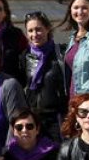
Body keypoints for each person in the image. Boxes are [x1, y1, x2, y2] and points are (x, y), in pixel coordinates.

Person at [20, 12, 69, 142]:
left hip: (56, 120)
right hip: (34, 120)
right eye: (30, 30)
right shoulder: (25, 56)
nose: (34, 34)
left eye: (38, 29)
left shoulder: (60, 54)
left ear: (47, 29)